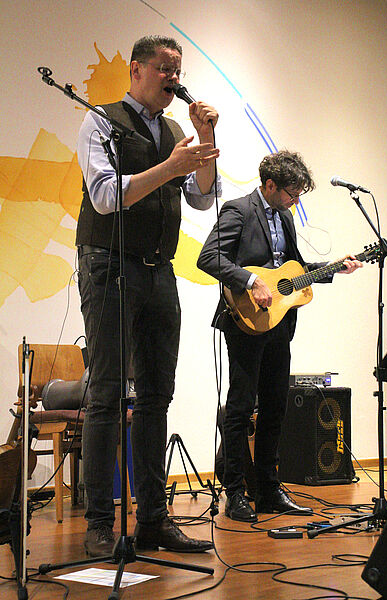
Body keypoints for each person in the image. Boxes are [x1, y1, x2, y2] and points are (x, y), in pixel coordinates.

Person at [76, 35, 220, 556]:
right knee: (107, 394)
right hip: (109, 265)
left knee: (157, 396)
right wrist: (169, 168)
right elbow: (104, 196)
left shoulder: (178, 131)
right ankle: (99, 524)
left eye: (178, 71)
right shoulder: (101, 120)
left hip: (160, 271)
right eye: (165, 69)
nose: (174, 79)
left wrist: (205, 139)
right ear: (136, 70)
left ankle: (153, 520)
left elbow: (202, 197)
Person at [197, 150, 362, 522]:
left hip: (279, 326)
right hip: (245, 322)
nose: (295, 201)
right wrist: (251, 280)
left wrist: (334, 268)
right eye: (292, 193)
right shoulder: (239, 210)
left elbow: (293, 270)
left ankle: (269, 490)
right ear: (270, 185)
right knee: (240, 408)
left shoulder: (285, 216)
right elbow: (209, 258)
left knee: (275, 407)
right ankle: (235, 492)